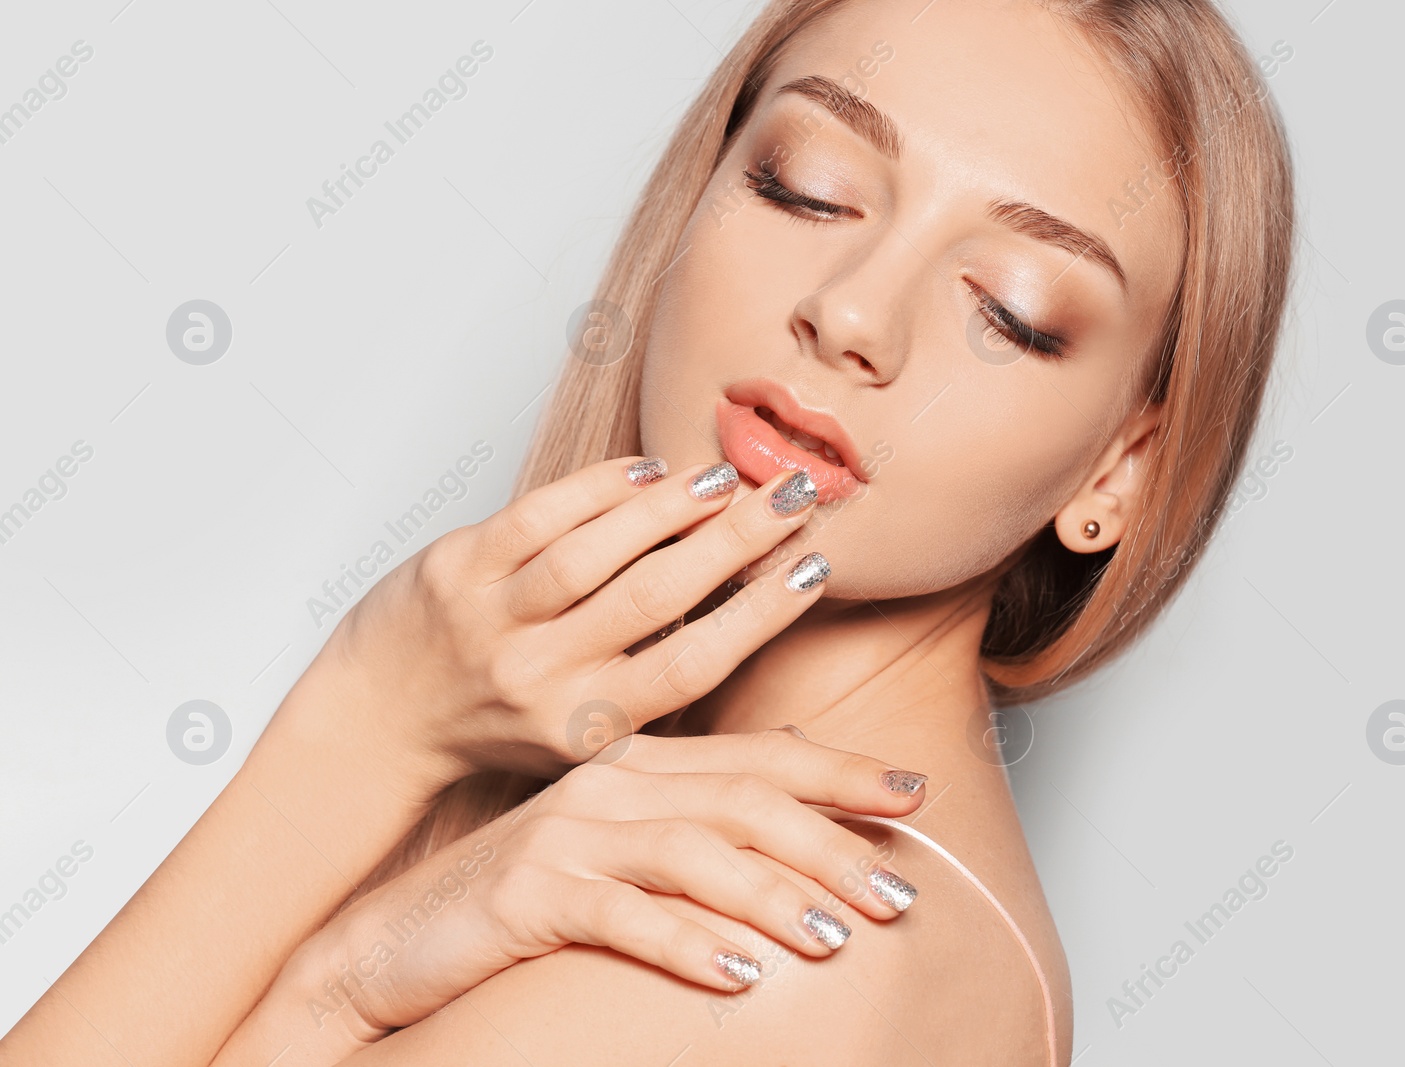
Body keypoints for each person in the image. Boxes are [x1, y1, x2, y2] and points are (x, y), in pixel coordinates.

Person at [2, 0, 1293, 1063]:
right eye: (811, 189)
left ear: (1124, 467)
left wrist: (356, 755)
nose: (852, 314)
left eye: (1008, 309)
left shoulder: (773, 952)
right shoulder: (727, 886)